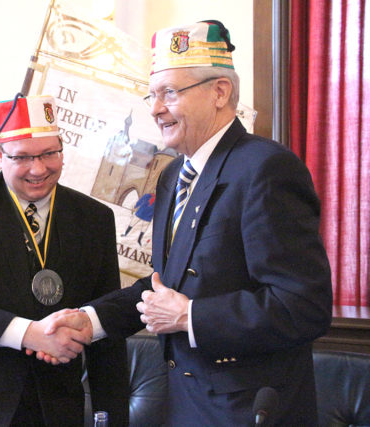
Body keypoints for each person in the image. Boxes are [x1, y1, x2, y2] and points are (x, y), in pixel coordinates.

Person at [42, 20, 333, 426]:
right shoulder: (172, 175)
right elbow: (167, 286)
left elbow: (304, 306)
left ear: (220, 92)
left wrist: (190, 317)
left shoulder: (266, 168)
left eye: (171, 93)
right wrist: (89, 321)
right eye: (153, 95)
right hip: (187, 405)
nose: (156, 108)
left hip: (250, 411)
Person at [0, 94, 129, 426]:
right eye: (23, 158)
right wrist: (28, 333)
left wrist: (110, 416)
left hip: (54, 404)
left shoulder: (95, 218)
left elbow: (105, 321)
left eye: (50, 153)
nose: (39, 168)